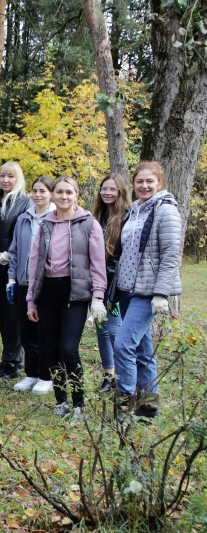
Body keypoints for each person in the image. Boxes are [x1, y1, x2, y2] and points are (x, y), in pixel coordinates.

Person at [27, 177, 107, 420]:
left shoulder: (88, 224)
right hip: (48, 293)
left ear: (76, 195)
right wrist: (31, 299)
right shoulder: (45, 224)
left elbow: (98, 263)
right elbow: (34, 262)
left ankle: (79, 404)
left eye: (68, 192)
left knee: (68, 349)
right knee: (50, 349)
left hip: (76, 293)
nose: (63, 196)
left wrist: (98, 297)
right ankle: (61, 401)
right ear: (53, 196)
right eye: (59, 192)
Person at [113, 162, 182, 420]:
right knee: (142, 349)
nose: (144, 186)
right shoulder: (135, 210)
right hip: (127, 290)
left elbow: (171, 255)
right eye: (139, 181)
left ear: (159, 184)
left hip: (148, 292)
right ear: (133, 184)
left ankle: (124, 405)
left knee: (122, 345)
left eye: (149, 182)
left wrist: (161, 294)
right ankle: (149, 405)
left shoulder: (166, 211)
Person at [0, 162, 32, 379]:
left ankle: (13, 360)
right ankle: (8, 357)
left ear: (18, 178)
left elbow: (25, 232)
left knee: (14, 312)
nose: (6, 180)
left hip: (16, 265)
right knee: (2, 311)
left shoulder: (25, 203)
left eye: (11, 176)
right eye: (2, 176)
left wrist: (8, 254)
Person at [8, 176, 55, 394]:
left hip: (46, 284)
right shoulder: (23, 219)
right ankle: (31, 373)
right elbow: (15, 250)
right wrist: (12, 278)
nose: (37, 195)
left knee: (44, 332)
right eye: (34, 191)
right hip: (23, 282)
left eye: (42, 191)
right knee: (26, 331)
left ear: (51, 194)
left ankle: (46, 376)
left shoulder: (56, 219)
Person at [92, 173, 131, 393]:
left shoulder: (126, 216)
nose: (107, 193)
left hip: (116, 282)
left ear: (121, 192)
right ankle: (109, 375)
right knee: (101, 329)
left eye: (112, 189)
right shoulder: (98, 215)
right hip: (98, 279)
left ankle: (122, 375)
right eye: (104, 188)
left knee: (114, 328)